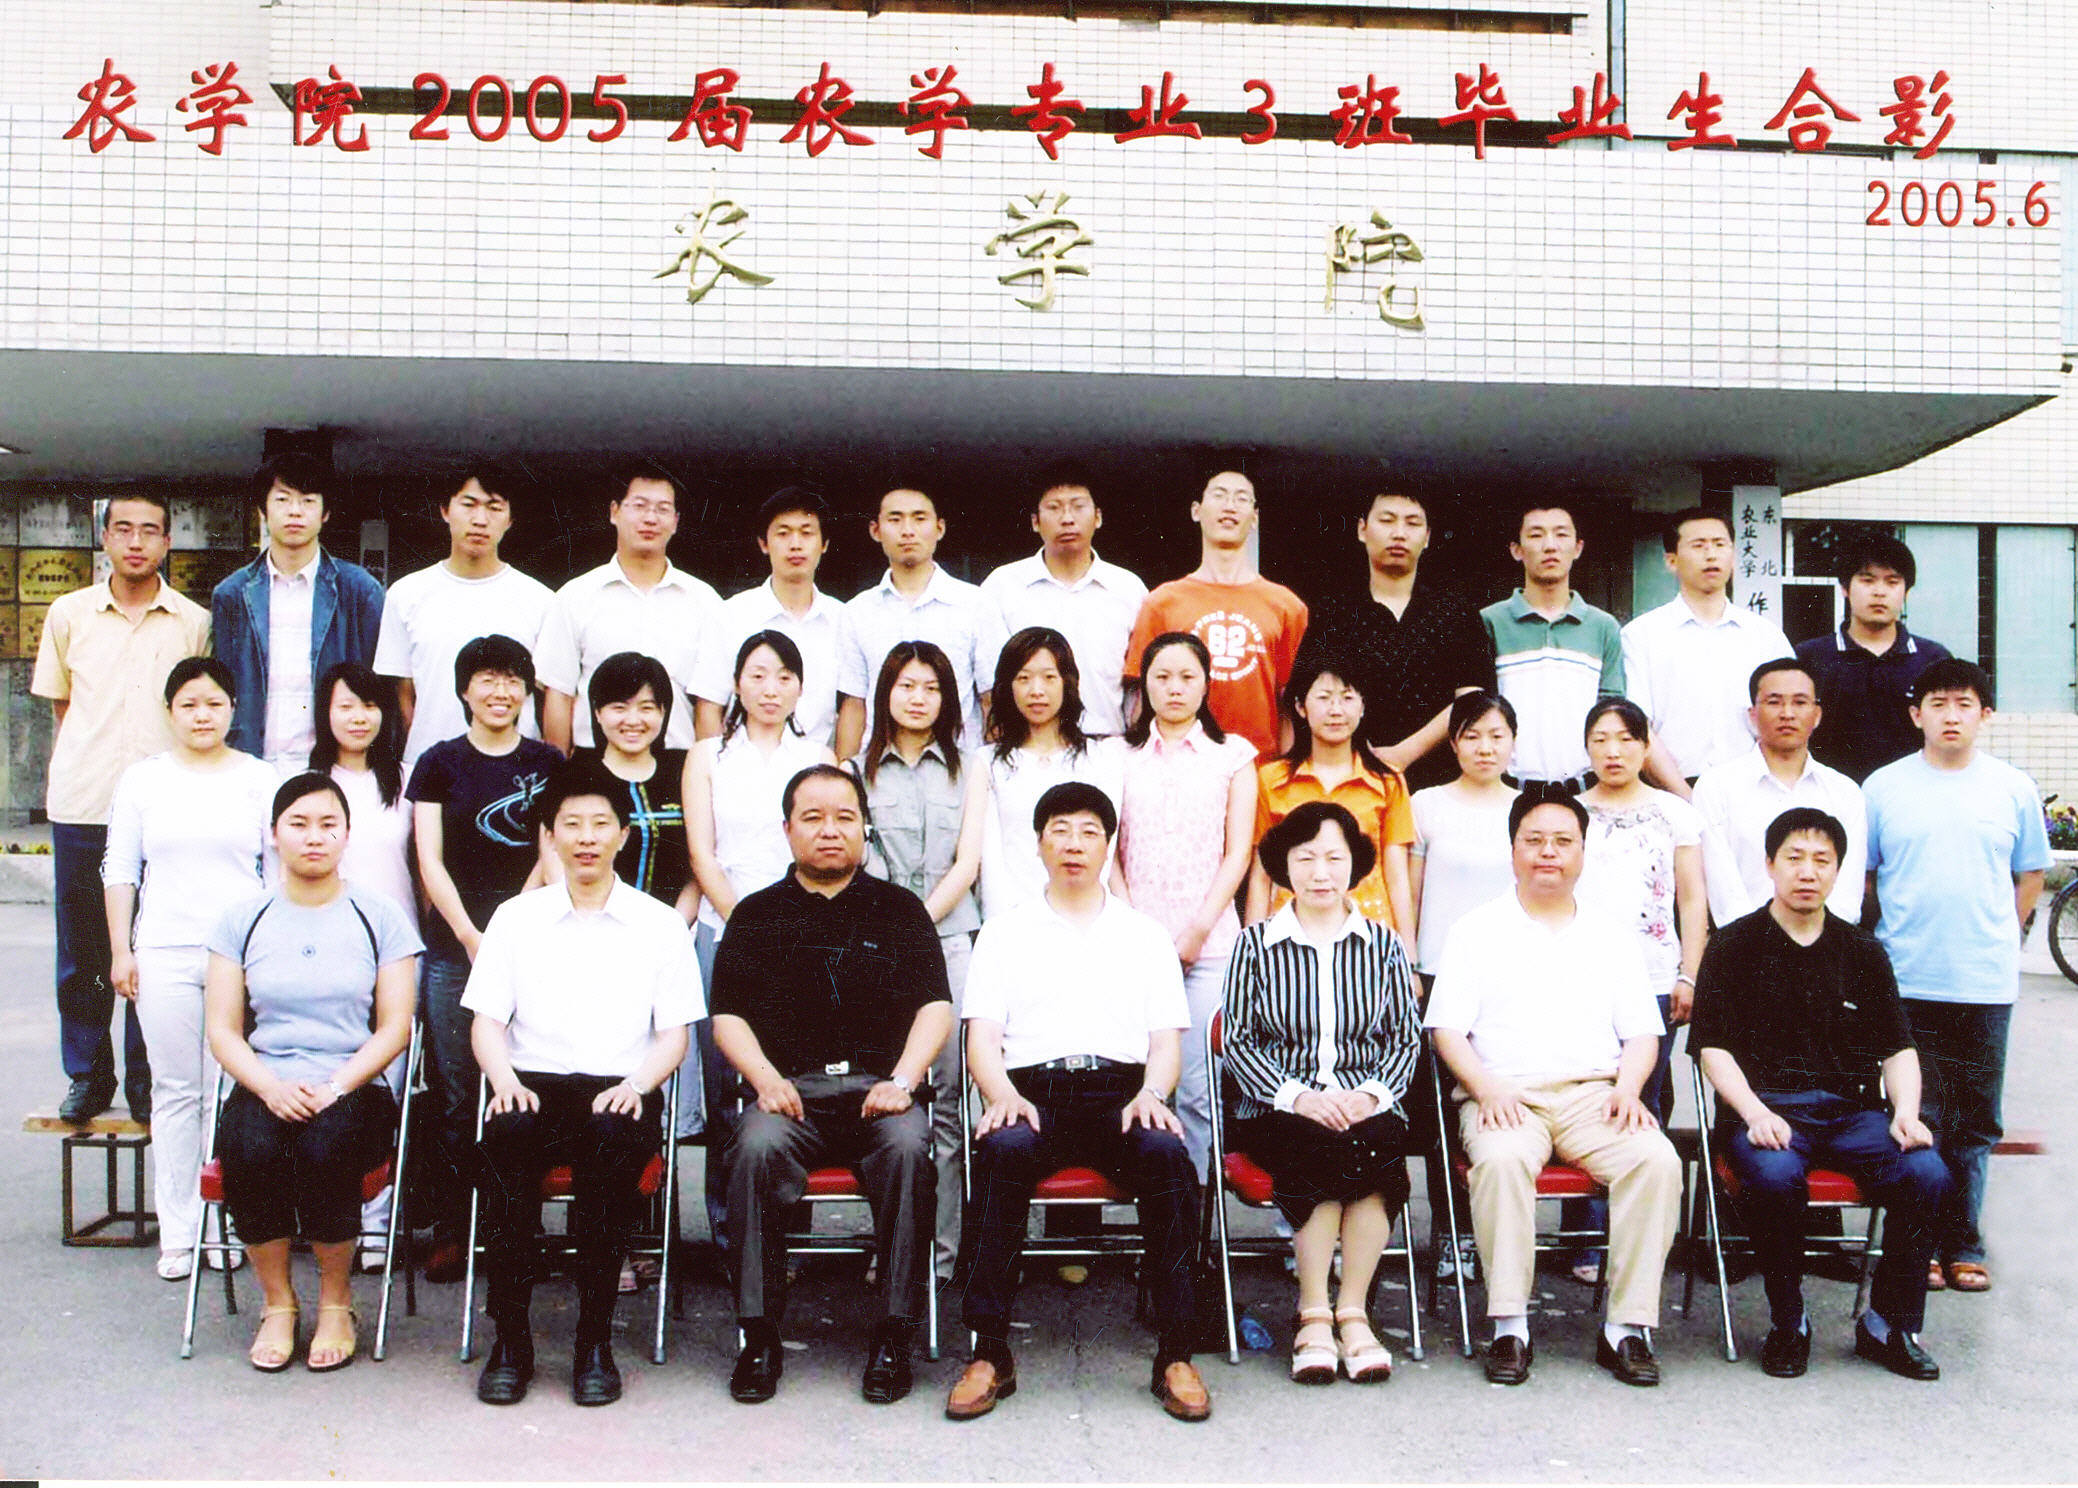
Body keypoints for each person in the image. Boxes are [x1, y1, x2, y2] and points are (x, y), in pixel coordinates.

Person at [949, 783, 1210, 1422]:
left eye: (1089, 831)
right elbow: (981, 1038)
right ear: (1038, 844)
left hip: (1123, 1093)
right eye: (1059, 830)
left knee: (1168, 1157)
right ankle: (988, 1351)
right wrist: (1001, 1094)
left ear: (1108, 845)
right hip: (1030, 1092)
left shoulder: (1144, 935)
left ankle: (1176, 1352)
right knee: (1001, 1152)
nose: (1074, 844)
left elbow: (1165, 1043)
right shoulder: (1003, 934)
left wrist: (1152, 1093)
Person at [711, 764, 954, 1406]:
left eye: (845, 817)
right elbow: (728, 1016)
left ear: (865, 829)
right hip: (790, 1095)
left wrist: (904, 1079)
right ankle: (759, 1334)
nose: (829, 831)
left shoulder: (899, 910)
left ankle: (894, 1333)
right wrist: (764, 1079)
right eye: (813, 817)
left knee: (909, 1150)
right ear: (787, 829)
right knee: (754, 1148)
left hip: (880, 1094)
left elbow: (935, 1007)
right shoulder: (756, 915)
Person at [463, 759, 701, 1407]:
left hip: (618, 1087)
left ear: (624, 834)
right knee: (505, 1141)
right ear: (551, 835)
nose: (587, 837)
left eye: (601, 824)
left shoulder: (658, 923)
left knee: (608, 1143)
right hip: (531, 1084)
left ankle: (594, 1341)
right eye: (572, 824)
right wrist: (503, 1080)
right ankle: (510, 1339)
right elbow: (486, 1022)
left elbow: (673, 1036)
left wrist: (639, 1085)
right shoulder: (514, 918)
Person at [1426, 789, 1680, 1388]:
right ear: (1512, 849)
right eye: (1534, 840)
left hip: (1595, 1096)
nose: (1548, 853)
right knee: (1501, 1161)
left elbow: (1643, 1032)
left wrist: (1630, 1088)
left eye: (1563, 842)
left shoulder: (1611, 935)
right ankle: (1510, 1325)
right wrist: (1484, 1087)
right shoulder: (1474, 930)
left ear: (1582, 853)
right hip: (1504, 1094)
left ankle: (1626, 1328)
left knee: (1657, 1161)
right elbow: (1446, 1030)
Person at [1690, 807, 1951, 1381]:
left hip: (1853, 1114)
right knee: (1775, 1177)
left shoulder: (1862, 951)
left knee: (1927, 1173)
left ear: (1838, 871)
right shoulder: (1733, 946)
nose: (1807, 871)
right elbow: (1711, 1048)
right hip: (1767, 1111)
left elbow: (1898, 1048)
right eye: (1794, 858)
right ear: (1770, 865)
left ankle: (1888, 1325)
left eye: (1821, 860)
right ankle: (1790, 1323)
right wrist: (1753, 1112)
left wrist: (1906, 1113)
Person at [202, 773, 420, 1371]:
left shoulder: (381, 916)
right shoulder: (242, 918)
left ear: (348, 834)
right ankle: (278, 1303)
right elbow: (223, 1030)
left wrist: (334, 1087)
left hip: (354, 1086)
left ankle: (335, 1302)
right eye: (298, 824)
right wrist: (269, 1087)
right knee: (251, 1147)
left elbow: (395, 1027)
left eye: (328, 825)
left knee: (326, 1148)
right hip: (266, 1081)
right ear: (274, 834)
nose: (314, 837)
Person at [1864, 657, 2050, 1294]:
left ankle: (1963, 1243)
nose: (1951, 716)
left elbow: (2031, 875)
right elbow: (1868, 879)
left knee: (1974, 1123)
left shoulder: (2012, 787)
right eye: (1938, 704)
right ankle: (1915, 1248)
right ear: (1916, 714)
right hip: (1907, 981)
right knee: (1917, 1116)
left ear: (1985, 714)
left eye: (1964, 704)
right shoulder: (1884, 787)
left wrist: (2001, 933)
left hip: (1984, 983)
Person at [1221, 801, 1423, 1386]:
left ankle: (1352, 1312)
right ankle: (1313, 1311)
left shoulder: (1384, 945)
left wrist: (1371, 1094)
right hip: (1279, 1107)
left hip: (1365, 1102)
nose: (1320, 873)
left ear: (1354, 865)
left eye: (1334, 858)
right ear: (1284, 866)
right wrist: (1298, 1096)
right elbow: (1238, 1040)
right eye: (1306, 858)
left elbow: (1404, 1038)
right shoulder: (1255, 944)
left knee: (1377, 1142)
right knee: (1321, 1144)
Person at [33, 493, 210, 1124]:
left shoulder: (192, 621)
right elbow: (63, 706)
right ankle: (87, 1074)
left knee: (150, 946)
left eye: (150, 531)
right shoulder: (68, 613)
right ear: (104, 538)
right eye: (124, 530)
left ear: (167, 543)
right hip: (85, 802)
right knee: (83, 949)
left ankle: (144, 1075)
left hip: (162, 810)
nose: (136, 542)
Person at [101, 657, 278, 1281]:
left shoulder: (260, 779)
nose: (203, 716)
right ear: (171, 712)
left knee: (228, 1091)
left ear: (233, 709)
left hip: (237, 956)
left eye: (214, 704)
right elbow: (121, 867)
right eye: (189, 705)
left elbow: (274, 873)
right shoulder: (143, 781)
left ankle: (224, 1224)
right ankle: (179, 1233)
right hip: (164, 952)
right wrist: (121, 950)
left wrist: (268, 952)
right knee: (177, 1091)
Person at [406, 634, 564, 1279]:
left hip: (532, 945)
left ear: (527, 691)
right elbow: (429, 860)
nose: (501, 692)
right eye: (487, 679)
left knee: (526, 1086)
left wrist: (508, 928)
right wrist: (473, 936)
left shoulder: (548, 762)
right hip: (453, 949)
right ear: (464, 690)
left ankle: (517, 1226)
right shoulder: (438, 763)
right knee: (456, 1091)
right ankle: (454, 1226)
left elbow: (550, 849)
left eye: (512, 680)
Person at [685, 631, 834, 1219]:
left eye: (784, 678)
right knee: (726, 1086)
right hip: (724, 931)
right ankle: (729, 1231)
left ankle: (790, 1229)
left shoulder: (820, 758)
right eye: (757, 675)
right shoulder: (707, 757)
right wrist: (748, 926)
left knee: (796, 1083)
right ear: (736, 684)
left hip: (806, 935)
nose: (770, 689)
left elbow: (826, 853)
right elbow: (703, 854)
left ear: (800, 688)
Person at [857, 641, 986, 1280]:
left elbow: (969, 860)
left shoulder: (971, 768)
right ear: (886, 693)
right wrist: (898, 925)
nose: (917, 698)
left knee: (950, 1098)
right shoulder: (856, 769)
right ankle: (891, 1243)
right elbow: (862, 855)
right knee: (887, 1089)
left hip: (953, 940)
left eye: (931, 688)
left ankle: (943, 1249)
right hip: (876, 945)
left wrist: (920, 921)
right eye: (906, 685)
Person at [1114, 632, 1258, 1178]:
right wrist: (1133, 927)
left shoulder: (1233, 756)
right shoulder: (1117, 755)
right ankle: (1148, 1205)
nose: (1174, 688)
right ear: (1144, 685)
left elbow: (1239, 851)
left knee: (1198, 1090)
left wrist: (1198, 929)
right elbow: (1110, 851)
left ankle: (1195, 1213)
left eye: (1187, 677)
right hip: (1132, 945)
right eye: (1162, 677)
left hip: (1212, 945)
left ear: (1206, 684)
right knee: (1135, 1085)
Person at [1407, 690, 1521, 1282]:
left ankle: (1496, 1234)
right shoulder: (1426, 803)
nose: (1485, 747)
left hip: (1507, 980)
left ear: (1513, 743)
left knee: (1496, 1103)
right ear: (1453, 744)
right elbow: (1411, 892)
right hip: (1436, 973)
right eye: (1472, 736)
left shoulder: (1529, 809)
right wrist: (1410, 963)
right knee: (1439, 1113)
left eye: (1497, 735)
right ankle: (1452, 1233)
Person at [307, 661, 418, 1268]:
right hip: (323, 948)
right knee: (328, 1076)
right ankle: (329, 1217)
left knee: (385, 1084)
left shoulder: (404, 781)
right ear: (325, 712)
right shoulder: (307, 784)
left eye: (369, 705)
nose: (358, 717)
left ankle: (376, 1224)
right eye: (345, 705)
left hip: (394, 951)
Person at [1291, 487, 1495, 792]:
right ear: (1362, 530)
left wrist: (1403, 754)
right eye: (1387, 520)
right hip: (1352, 780)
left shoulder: (1457, 613)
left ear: (1427, 537)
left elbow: (1472, 698)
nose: (1399, 533)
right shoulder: (1334, 613)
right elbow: (1308, 696)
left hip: (1443, 786)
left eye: (1412, 523)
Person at [1574, 697, 1707, 1123]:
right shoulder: (1570, 813)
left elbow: (1692, 898)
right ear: (1587, 747)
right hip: (1582, 974)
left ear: (1647, 746)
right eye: (1601, 740)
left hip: (1655, 975)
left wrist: (1689, 974)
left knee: (1647, 1092)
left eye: (1626, 739)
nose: (1613, 751)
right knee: (1588, 1096)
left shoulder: (1675, 812)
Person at [373, 463, 554, 773]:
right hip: (429, 769)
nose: (480, 520)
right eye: (468, 504)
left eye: (494, 508)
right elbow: (403, 696)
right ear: (445, 510)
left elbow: (550, 696)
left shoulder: (541, 600)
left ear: (510, 519)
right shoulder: (406, 594)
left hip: (516, 773)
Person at [210, 453, 385, 771]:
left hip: (333, 765)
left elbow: (378, 684)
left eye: (308, 501)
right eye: (282, 499)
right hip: (251, 763)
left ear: (325, 513)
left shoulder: (359, 590)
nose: (295, 511)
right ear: (262, 510)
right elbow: (222, 685)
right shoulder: (232, 594)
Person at [536, 464, 720, 754]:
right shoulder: (575, 596)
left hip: (676, 760)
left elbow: (710, 702)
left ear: (675, 521)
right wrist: (559, 771)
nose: (650, 518)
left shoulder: (704, 601)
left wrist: (706, 770)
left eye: (662, 509)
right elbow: (559, 693)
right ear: (614, 512)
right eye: (639, 506)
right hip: (594, 759)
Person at [1124, 469, 1307, 759]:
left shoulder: (1287, 606)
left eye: (1241, 498)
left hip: (1261, 766)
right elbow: (1139, 701)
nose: (1230, 506)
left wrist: (1284, 770)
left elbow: (1290, 704)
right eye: (1219, 495)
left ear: (1255, 517)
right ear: (1196, 511)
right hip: (1180, 764)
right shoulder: (1161, 602)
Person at [1620, 508, 1795, 796]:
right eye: (1698, 545)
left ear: (1733, 555)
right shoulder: (1641, 636)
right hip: (1668, 792)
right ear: (1671, 560)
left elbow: (1786, 720)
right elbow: (1638, 726)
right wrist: (1686, 799)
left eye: (1719, 544)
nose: (1711, 555)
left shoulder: (1766, 637)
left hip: (1754, 791)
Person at [1246, 652, 1415, 936]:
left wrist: (1407, 954)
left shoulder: (1388, 781)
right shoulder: (1271, 779)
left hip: (1368, 934)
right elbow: (1261, 876)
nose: (1336, 710)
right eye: (1324, 698)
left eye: (1347, 698)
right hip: (1292, 934)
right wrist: (1253, 948)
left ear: (1362, 706)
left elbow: (1397, 877)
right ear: (1301, 706)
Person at [835, 486, 1007, 757]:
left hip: (959, 765)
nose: (907, 531)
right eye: (895, 519)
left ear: (940, 528)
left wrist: (994, 770)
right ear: (875, 530)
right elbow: (854, 705)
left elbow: (992, 699)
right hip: (878, 767)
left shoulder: (976, 605)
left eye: (919, 518)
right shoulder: (857, 611)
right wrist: (844, 770)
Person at [1692, 659, 1866, 927]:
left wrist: (1820, 939)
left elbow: (1847, 889)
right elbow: (1723, 887)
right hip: (1743, 942)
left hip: (1828, 943)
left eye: (1799, 702)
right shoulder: (1717, 787)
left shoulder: (1844, 792)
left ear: (1817, 715)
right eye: (1774, 702)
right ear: (1752, 714)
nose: (1787, 713)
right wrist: (1755, 939)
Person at [977, 467, 1148, 737]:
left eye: (1078, 507)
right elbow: (989, 684)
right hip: (1026, 745)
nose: (1067, 519)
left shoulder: (1128, 588)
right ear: (1035, 522)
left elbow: (1139, 685)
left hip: (1108, 745)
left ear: (1098, 517)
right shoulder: (1002, 586)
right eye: (1054, 508)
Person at [978, 627, 1127, 922]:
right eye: (1024, 678)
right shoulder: (989, 763)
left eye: (1049, 677)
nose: (1036, 690)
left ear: (1066, 682)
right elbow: (990, 860)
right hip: (1013, 920)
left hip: (1084, 918)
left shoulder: (1101, 759)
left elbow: (1103, 851)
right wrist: (1002, 926)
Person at [1479, 502, 1624, 785]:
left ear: (1578, 548)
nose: (1550, 546)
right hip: (1506, 788)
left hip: (1585, 788)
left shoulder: (1603, 627)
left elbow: (1612, 711)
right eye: (1536, 535)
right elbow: (1478, 710)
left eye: (1561, 534)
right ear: (1516, 550)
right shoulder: (1489, 622)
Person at [1796, 534, 1956, 783]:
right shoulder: (1810, 657)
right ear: (1845, 588)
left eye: (1892, 582)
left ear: (1906, 592)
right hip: (1829, 796)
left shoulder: (1933, 659)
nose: (1879, 592)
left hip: (1911, 794)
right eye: (1867, 580)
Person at [694, 487, 845, 748]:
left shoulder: (843, 619)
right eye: (783, 533)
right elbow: (709, 705)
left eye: (807, 533)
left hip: (819, 764)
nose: (795, 544)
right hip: (742, 761)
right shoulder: (730, 615)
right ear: (764, 543)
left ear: (824, 544)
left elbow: (853, 708)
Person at [585, 651, 694, 919]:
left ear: (663, 711)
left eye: (646, 708)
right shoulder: (577, 776)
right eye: (619, 708)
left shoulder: (685, 770)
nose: (633, 720)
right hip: (596, 925)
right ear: (597, 712)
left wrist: (673, 928)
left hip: (676, 927)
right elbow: (558, 863)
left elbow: (702, 858)